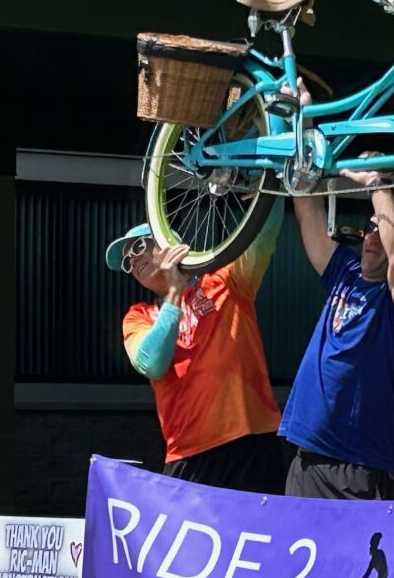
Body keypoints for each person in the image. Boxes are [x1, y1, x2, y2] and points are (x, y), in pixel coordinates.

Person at [107, 200, 284, 493]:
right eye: (127, 262)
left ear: (166, 240)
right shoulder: (139, 316)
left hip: (252, 438)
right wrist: (175, 292)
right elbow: (151, 363)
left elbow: (263, 231)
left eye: (137, 247)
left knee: (264, 536)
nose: (133, 261)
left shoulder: (226, 280)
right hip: (189, 451)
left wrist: (270, 183)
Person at [281, 162, 394, 498]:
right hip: (306, 458)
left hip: (360, 468)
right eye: (369, 227)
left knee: (360, 554)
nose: (371, 237)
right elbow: (309, 216)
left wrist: (378, 185)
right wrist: (302, 160)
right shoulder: (345, 272)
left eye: (384, 230)